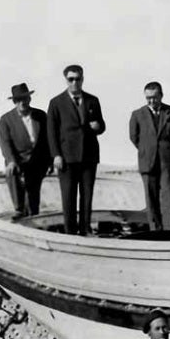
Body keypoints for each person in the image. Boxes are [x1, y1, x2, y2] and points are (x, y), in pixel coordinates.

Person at [47, 64, 106, 235]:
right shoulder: (56, 103)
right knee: (68, 197)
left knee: (87, 197)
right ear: (66, 80)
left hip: (89, 156)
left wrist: (98, 126)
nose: (74, 82)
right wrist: (56, 155)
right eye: (70, 79)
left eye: (78, 79)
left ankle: (85, 229)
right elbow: (51, 132)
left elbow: (101, 125)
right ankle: (70, 232)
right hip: (67, 158)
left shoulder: (92, 100)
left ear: (83, 79)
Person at [129, 81, 170, 231]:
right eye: (148, 98)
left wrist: (165, 147)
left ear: (161, 95)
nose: (151, 101)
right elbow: (134, 136)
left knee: (168, 196)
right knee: (151, 198)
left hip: (166, 160)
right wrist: (147, 149)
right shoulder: (137, 115)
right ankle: (155, 230)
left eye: (154, 97)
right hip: (148, 161)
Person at [0, 82, 50, 218]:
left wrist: (51, 161)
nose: (21, 103)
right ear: (14, 102)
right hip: (19, 159)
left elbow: (48, 140)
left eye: (24, 99)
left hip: (38, 161)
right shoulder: (6, 120)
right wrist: (11, 161)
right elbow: (5, 143)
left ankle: (33, 215)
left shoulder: (41, 116)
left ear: (29, 98)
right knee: (12, 171)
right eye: (18, 100)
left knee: (33, 194)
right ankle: (19, 208)